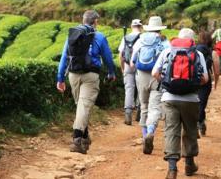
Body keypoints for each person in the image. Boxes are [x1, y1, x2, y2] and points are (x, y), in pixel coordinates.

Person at [56, 10, 116, 154]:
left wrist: (60, 78)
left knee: (82, 106)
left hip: (73, 75)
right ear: (95, 22)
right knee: (84, 106)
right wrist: (111, 72)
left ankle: (84, 137)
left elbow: (64, 57)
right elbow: (107, 57)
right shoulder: (100, 36)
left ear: (83, 20)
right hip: (91, 75)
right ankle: (77, 139)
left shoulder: (72, 35)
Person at [152, 28, 209, 179]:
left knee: (171, 130)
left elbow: (154, 73)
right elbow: (205, 79)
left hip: (169, 98)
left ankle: (172, 169)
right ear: (192, 40)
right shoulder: (198, 54)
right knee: (190, 130)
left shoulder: (167, 51)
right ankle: (189, 164)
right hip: (191, 99)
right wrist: (193, 84)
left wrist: (166, 83)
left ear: (178, 38)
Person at [130, 16, 170, 154]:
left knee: (143, 106)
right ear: (160, 28)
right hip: (157, 77)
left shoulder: (140, 40)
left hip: (141, 76)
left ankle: (144, 134)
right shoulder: (164, 42)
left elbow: (132, 62)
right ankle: (151, 131)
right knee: (155, 107)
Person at [118, 19, 143, 125]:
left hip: (128, 65)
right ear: (141, 27)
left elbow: (121, 54)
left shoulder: (126, 37)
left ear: (131, 26)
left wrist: (122, 67)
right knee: (141, 88)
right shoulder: (143, 37)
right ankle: (139, 110)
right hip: (139, 65)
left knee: (129, 88)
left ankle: (128, 114)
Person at [196, 30, 220, 137]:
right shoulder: (213, 52)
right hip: (206, 81)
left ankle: (198, 123)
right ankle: (200, 123)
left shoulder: (194, 50)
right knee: (202, 103)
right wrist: (215, 82)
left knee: (195, 103)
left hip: (194, 80)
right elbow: (217, 71)